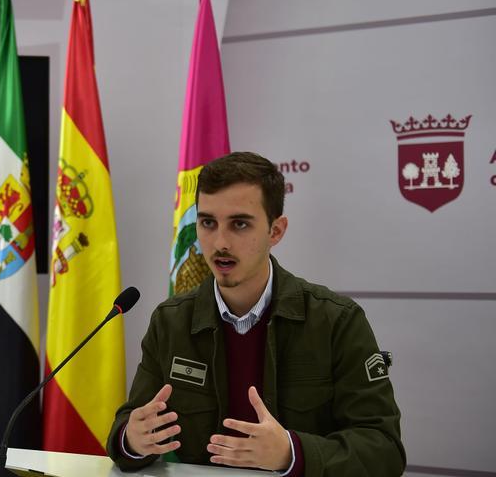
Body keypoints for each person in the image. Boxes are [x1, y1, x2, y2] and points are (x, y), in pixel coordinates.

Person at [107, 152, 405, 476]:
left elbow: (383, 450)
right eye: (208, 222)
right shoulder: (171, 322)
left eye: (239, 224)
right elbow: (127, 431)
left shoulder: (337, 322)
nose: (220, 242)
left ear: (275, 231)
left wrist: (291, 453)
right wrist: (133, 440)